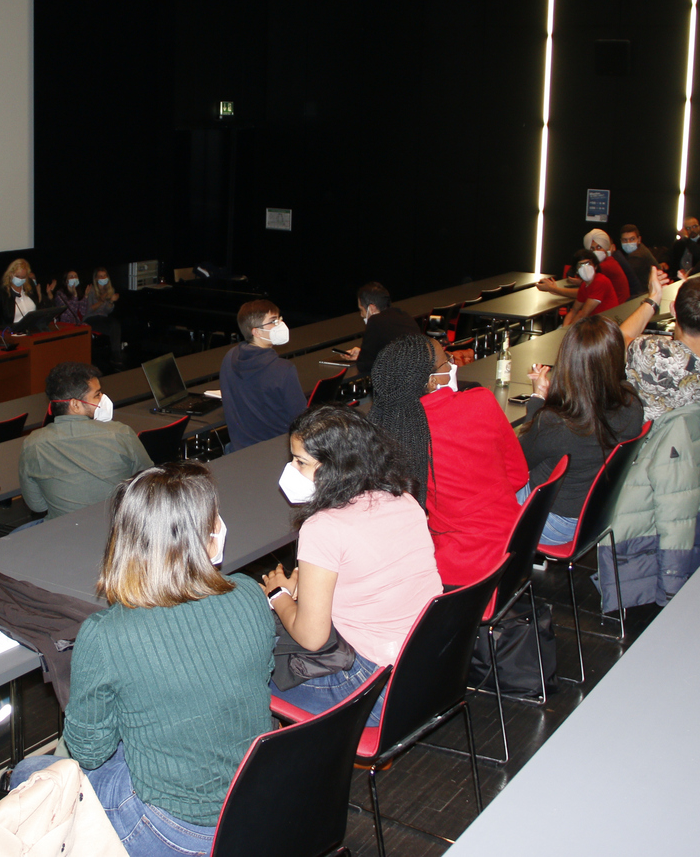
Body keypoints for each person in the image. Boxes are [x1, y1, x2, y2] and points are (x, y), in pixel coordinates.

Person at [10, 462, 273, 857]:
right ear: (204, 536)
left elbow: (89, 753)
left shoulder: (105, 634)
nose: (221, 524)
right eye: (214, 517)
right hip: (256, 805)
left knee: (27, 774)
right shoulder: (251, 594)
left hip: (178, 831)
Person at [259, 405, 442, 725]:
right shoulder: (404, 500)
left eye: (300, 461)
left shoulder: (323, 527)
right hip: (428, 667)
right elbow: (373, 575)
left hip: (374, 688)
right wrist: (302, 588)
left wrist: (278, 594)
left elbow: (312, 638)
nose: (290, 469)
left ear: (336, 467)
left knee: (252, 671)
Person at [368, 335, 528, 589]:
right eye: (447, 362)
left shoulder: (395, 434)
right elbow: (519, 476)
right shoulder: (482, 400)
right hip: (515, 546)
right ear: (432, 382)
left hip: (461, 570)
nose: (453, 366)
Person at [519, 317, 645, 545]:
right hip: (598, 515)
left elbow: (518, 464)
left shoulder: (557, 422)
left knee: (483, 482)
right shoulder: (632, 404)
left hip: (551, 523)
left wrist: (537, 399)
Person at [19, 363, 152, 525]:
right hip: (118, 530)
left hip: (63, 534)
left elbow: (37, 505)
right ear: (75, 404)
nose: (103, 398)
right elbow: (147, 481)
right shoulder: (120, 433)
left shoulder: (33, 444)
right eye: (97, 395)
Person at [618, 273, 700, 422]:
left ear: (673, 309)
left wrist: (654, 298)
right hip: (688, 442)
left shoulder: (652, 351)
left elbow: (620, 338)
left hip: (648, 443)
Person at [220, 299, 308, 454]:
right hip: (276, 452)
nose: (280, 325)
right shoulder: (283, 369)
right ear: (256, 332)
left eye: (280, 319)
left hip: (238, 451)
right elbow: (301, 420)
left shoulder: (230, 357)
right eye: (273, 322)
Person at [336, 281, 420, 376]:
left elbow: (363, 365)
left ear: (371, 308)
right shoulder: (404, 316)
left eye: (361, 310)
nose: (361, 315)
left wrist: (361, 357)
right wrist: (361, 354)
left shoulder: (375, 322)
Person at [546, 247, 621, 327]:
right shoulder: (584, 285)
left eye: (588, 263)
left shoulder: (600, 281)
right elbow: (574, 311)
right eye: (580, 265)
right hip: (595, 323)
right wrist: (564, 327)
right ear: (576, 270)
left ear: (595, 266)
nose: (585, 268)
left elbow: (584, 314)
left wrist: (567, 331)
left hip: (607, 326)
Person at [0, 258, 44, 330]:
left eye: (23, 277)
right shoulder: (1, 292)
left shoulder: (30, 286)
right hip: (11, 333)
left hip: (33, 331)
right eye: (17, 276)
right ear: (10, 274)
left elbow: (39, 307)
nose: (20, 279)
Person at [83, 266, 124, 365]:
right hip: (90, 318)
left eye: (104, 276)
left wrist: (110, 301)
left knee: (115, 325)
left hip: (103, 317)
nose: (103, 278)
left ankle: (116, 355)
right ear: (96, 278)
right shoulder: (91, 290)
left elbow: (107, 311)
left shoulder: (110, 290)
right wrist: (102, 300)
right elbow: (87, 310)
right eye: (100, 276)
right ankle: (115, 355)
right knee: (113, 327)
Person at [615, 224, 658, 297]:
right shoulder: (640, 249)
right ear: (621, 241)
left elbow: (624, 276)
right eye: (625, 240)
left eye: (632, 239)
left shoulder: (637, 255)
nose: (628, 242)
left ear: (639, 240)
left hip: (646, 294)